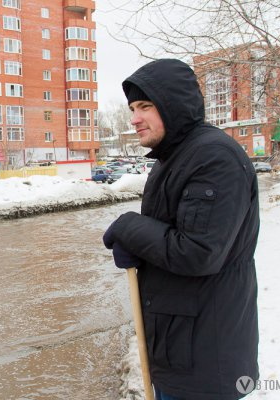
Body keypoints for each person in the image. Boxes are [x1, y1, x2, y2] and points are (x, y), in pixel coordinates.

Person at [103, 59, 259, 400]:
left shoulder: (214, 158)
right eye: (132, 108)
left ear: (173, 104)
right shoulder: (173, 158)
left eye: (145, 106)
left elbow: (198, 252)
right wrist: (141, 250)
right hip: (178, 350)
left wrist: (130, 228)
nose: (134, 118)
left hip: (205, 362)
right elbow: (170, 234)